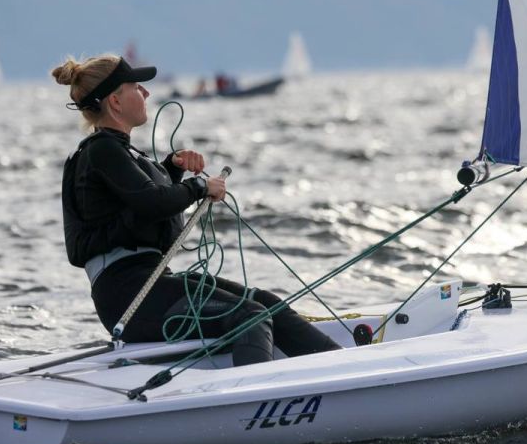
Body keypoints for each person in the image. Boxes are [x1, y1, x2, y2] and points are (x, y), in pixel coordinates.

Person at [52, 54, 341, 366]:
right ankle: (251, 403)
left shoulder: (118, 152)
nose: (146, 93)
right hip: (131, 299)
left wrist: (172, 169)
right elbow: (153, 202)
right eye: (136, 86)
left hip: (149, 286)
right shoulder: (103, 151)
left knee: (266, 304)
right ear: (116, 102)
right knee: (249, 315)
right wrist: (199, 187)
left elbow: (139, 204)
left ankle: (341, 366)